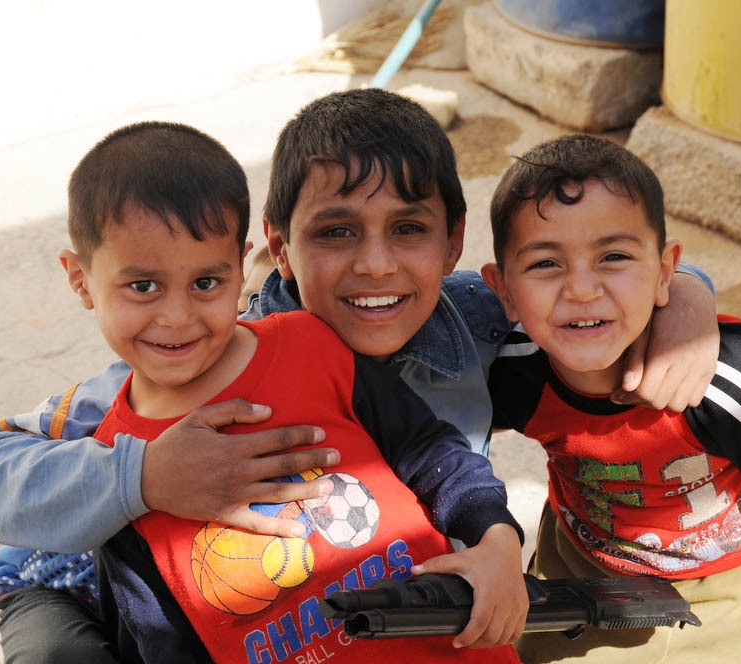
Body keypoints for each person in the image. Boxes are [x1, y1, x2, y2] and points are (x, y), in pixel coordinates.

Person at [0, 89, 720, 654]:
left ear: (453, 244)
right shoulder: (213, 356)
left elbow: (599, 297)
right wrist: (146, 474)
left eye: (408, 230)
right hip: (70, 580)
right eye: (337, 232)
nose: (375, 264)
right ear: (278, 249)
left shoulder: (471, 323)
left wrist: (685, 299)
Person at [65, 120, 527, 661]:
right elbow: (160, 636)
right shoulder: (115, 469)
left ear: (242, 267)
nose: (177, 317)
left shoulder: (311, 344)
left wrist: (498, 539)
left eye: (206, 283)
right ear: (80, 280)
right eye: (143, 286)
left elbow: (432, 451)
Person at [480, 134, 741, 663]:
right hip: (583, 567)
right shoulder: (513, 370)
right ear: (503, 290)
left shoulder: (725, 380)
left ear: (666, 271)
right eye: (545, 265)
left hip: (734, 581)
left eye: (615, 256)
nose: (581, 288)